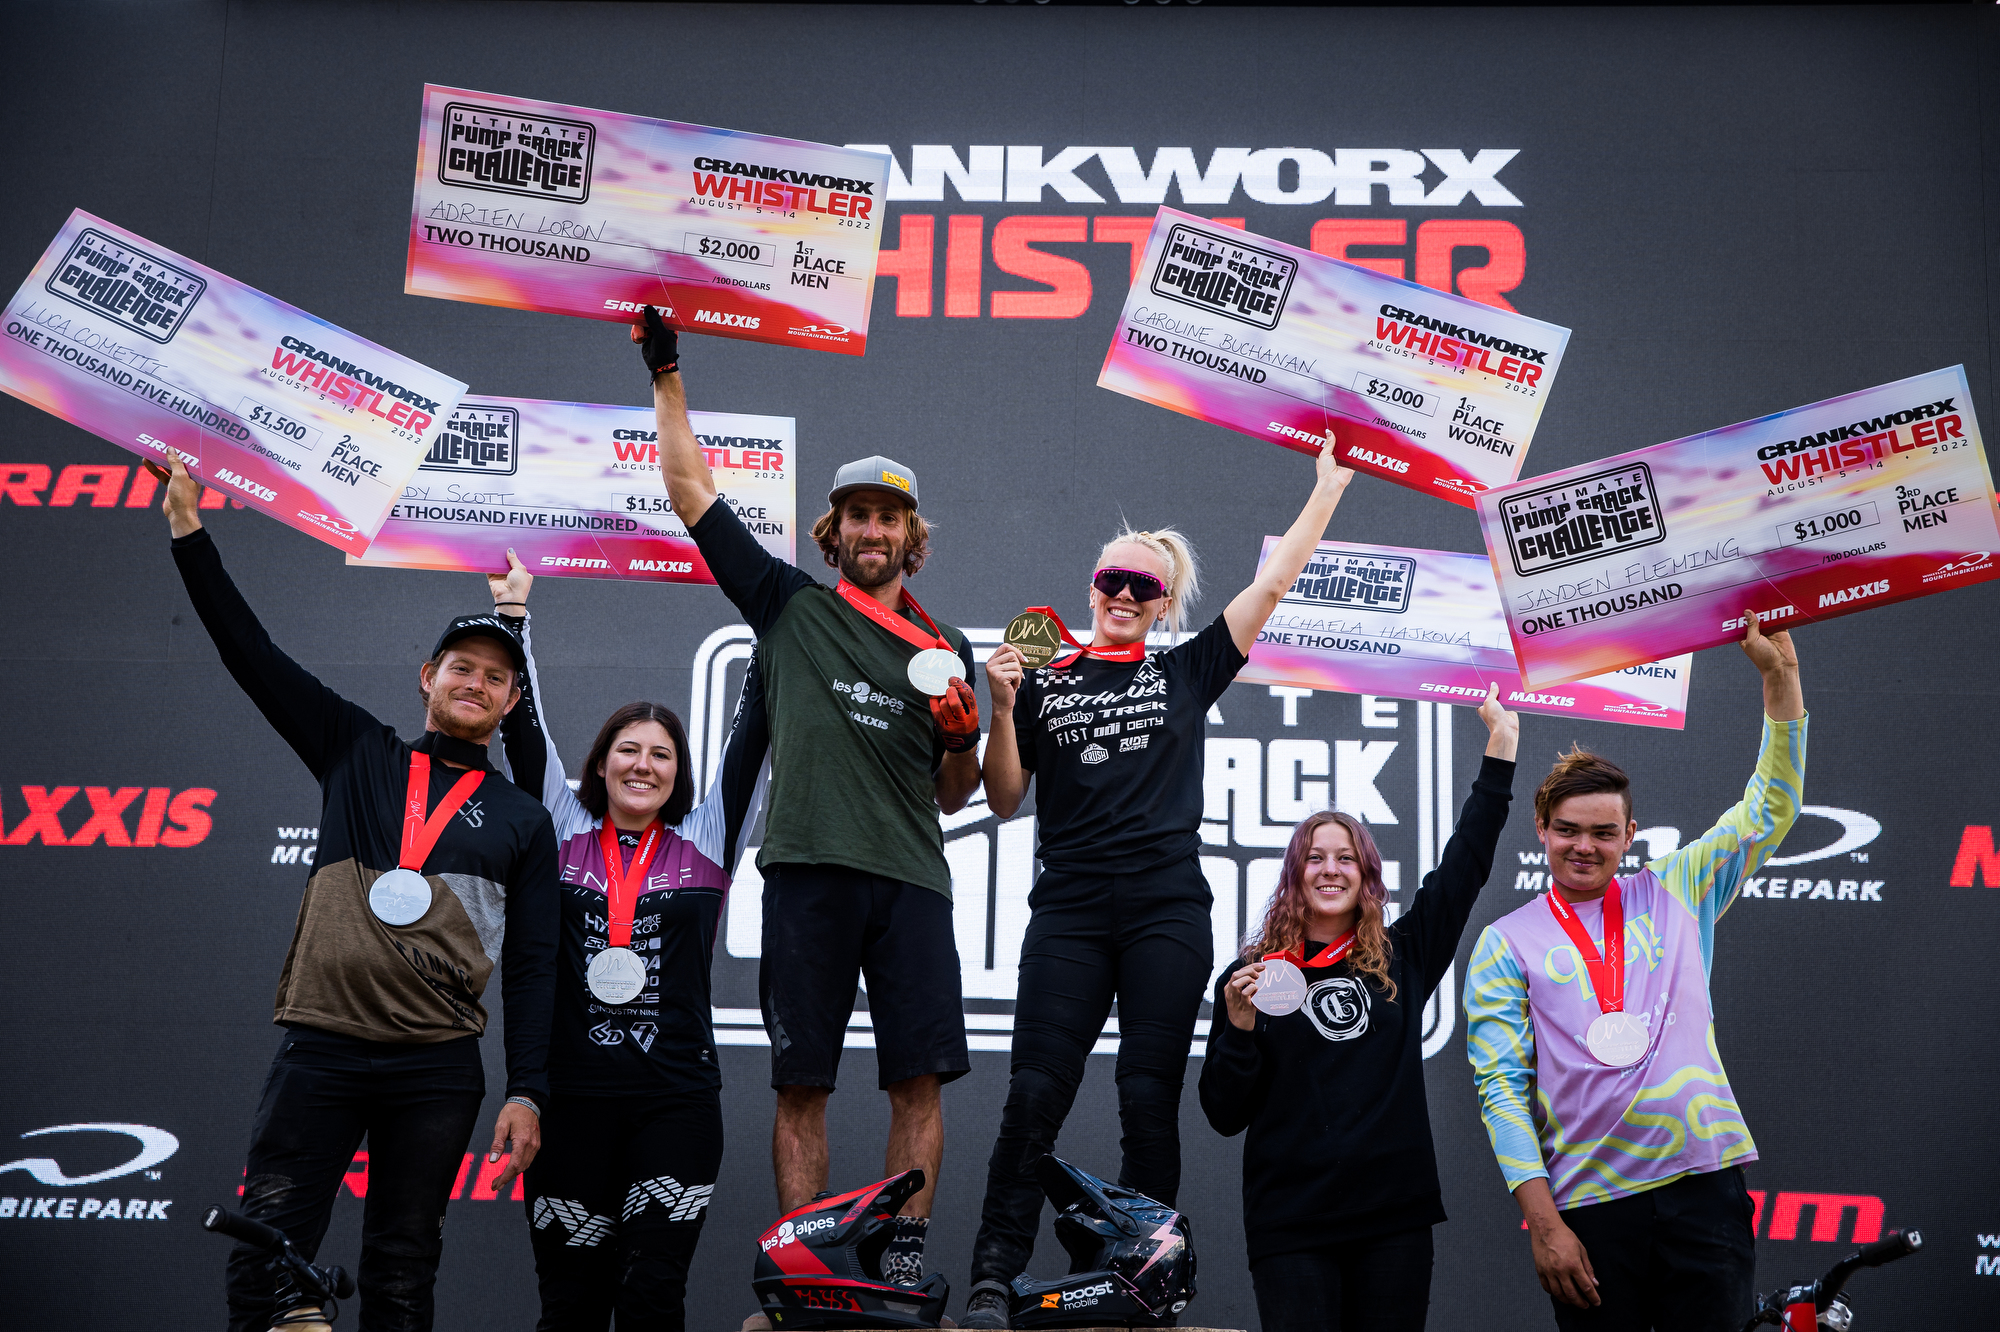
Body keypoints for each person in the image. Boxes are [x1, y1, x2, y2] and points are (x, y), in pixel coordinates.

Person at [146, 453, 559, 1332]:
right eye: (461, 666)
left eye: (494, 676)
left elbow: (532, 969)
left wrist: (527, 1090)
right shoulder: (354, 749)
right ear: (427, 676)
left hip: (437, 1063)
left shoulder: (523, 817)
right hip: (322, 1051)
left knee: (404, 1275)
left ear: (510, 701)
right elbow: (249, 653)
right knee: (264, 1257)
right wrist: (189, 527)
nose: (474, 682)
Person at [961, 433, 1354, 1327]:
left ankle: (1145, 1282)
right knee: (1034, 1093)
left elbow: (1274, 585)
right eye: (1113, 582)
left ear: (1164, 600)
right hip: (1067, 908)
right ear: (1090, 587)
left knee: (1148, 1097)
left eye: (1144, 587)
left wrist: (1327, 489)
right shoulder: (1044, 681)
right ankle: (992, 1276)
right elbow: (1002, 797)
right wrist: (1001, 707)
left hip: (1165, 910)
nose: (1126, 596)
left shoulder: (1187, 669)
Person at [631, 308, 981, 1284]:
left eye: (890, 516)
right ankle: (810, 1271)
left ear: (912, 535)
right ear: (834, 529)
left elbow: (954, 794)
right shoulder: (786, 605)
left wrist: (960, 735)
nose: (873, 529)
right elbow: (689, 485)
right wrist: (666, 371)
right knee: (802, 1085)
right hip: (806, 878)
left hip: (911, 881)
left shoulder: (941, 647)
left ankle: (902, 1262)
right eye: (857, 514)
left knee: (918, 1085)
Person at [1464, 612, 1806, 1330]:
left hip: (1703, 1188)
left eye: (1603, 832)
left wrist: (1782, 681)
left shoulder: (1677, 888)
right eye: (1568, 831)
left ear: (1630, 835)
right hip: (1590, 1208)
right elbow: (1501, 1089)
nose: (1583, 847)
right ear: (1542, 829)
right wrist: (1544, 1222)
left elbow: (1769, 807)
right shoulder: (1506, 942)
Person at [482, 551, 770, 1330]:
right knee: (570, 1303)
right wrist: (515, 618)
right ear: (602, 762)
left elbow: (754, 730)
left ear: (679, 775)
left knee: (652, 1293)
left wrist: (776, 625)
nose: (644, 765)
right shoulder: (562, 826)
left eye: (662, 754)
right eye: (629, 750)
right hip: (569, 1102)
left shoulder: (709, 837)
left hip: (674, 1103)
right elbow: (525, 728)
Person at [1200, 684, 1521, 1332]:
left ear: (1367, 875)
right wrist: (1238, 1029)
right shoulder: (1251, 978)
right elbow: (1222, 1115)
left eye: (1346, 858)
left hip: (1391, 1220)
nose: (1329, 869)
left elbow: (1465, 866)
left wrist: (1501, 749)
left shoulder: (1403, 957)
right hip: (1290, 1222)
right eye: (1313, 857)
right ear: (1292, 873)